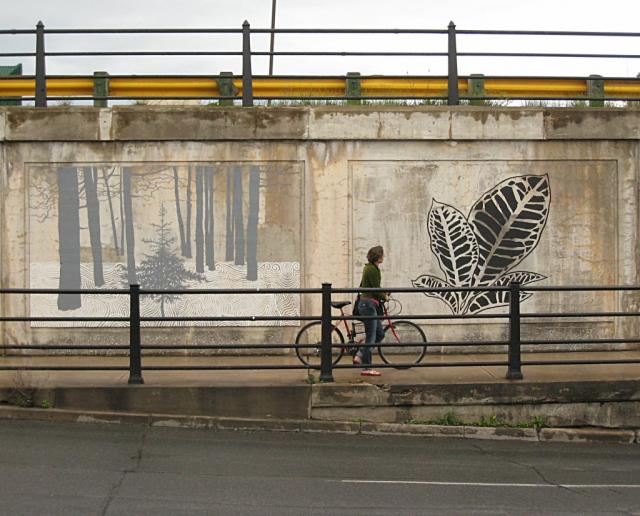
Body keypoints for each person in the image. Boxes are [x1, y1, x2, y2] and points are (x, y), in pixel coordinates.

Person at [354, 245, 387, 376]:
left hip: (369, 304)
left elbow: (374, 286)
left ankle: (360, 352)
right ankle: (366, 368)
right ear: (378, 256)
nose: (383, 257)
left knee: (380, 334)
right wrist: (385, 296)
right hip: (368, 305)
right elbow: (375, 289)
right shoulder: (372, 270)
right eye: (382, 255)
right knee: (372, 337)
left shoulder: (370, 268)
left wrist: (383, 292)